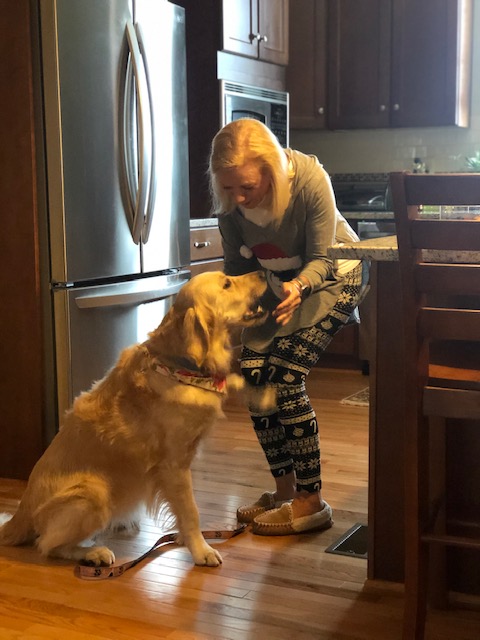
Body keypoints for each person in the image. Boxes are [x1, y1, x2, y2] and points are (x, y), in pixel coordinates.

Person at [207, 119, 368, 536]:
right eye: (228, 188)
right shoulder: (231, 206)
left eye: (247, 187)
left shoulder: (309, 180)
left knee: (285, 377)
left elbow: (322, 258)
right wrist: (226, 318)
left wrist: (300, 286)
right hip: (279, 284)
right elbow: (239, 270)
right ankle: (284, 492)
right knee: (254, 375)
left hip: (333, 276)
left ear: (272, 171)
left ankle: (312, 501)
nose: (238, 198)